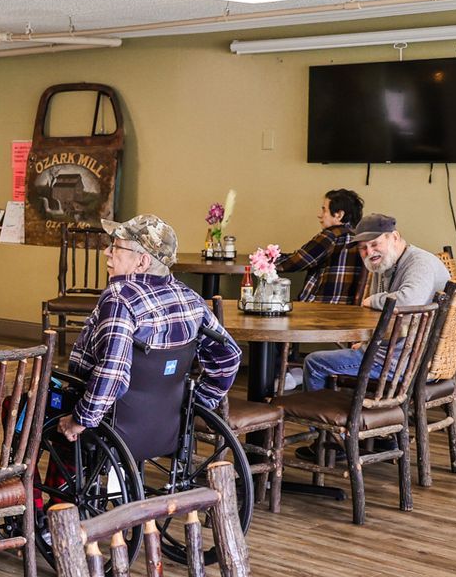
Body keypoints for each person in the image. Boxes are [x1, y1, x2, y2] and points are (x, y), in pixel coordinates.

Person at [60, 215, 241, 439]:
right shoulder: (191, 299)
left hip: (106, 419)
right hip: (165, 423)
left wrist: (79, 421)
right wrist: (195, 402)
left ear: (142, 262)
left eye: (116, 247)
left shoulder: (120, 299)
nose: (107, 252)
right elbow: (229, 355)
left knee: (25, 404)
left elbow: (113, 373)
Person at [299, 213, 451, 391]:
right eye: (363, 248)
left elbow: (409, 301)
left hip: (402, 362)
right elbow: (376, 316)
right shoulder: (385, 265)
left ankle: (324, 415)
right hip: (397, 354)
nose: (369, 252)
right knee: (329, 358)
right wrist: (366, 343)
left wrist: (373, 299)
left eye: (374, 244)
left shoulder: (419, 262)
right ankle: (343, 411)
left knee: (314, 363)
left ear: (394, 237)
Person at [274, 188, 366, 303]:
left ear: (339, 215)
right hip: (347, 309)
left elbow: (296, 262)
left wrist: (265, 260)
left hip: (320, 307)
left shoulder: (331, 235)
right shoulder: (361, 238)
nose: (320, 215)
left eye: (324, 210)